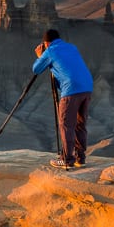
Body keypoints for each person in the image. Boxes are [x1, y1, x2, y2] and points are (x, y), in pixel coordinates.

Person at [32, 29, 93, 168]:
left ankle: (67, 160)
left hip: (71, 90)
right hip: (87, 87)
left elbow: (36, 69)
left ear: (46, 43)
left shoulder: (50, 51)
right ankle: (80, 158)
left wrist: (40, 56)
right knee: (80, 124)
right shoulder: (71, 47)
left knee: (66, 125)